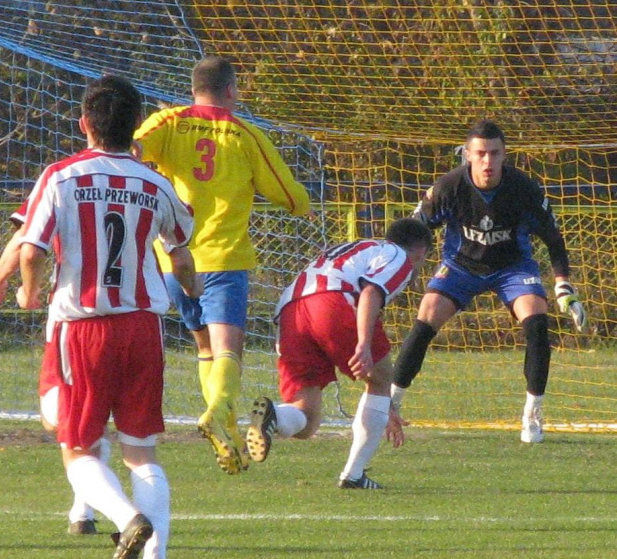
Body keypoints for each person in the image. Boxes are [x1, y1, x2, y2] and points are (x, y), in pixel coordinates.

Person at [16, 75, 199, 559]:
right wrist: (193, 295)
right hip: (144, 326)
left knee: (78, 449)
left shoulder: (62, 176)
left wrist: (29, 293)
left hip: (85, 328)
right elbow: (181, 253)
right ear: (134, 128)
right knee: (142, 453)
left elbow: (31, 249)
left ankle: (125, 519)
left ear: (84, 124)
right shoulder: (155, 181)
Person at [134, 55, 312, 475]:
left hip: (173, 262)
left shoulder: (169, 122)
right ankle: (218, 411)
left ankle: (226, 430)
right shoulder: (246, 135)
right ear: (231, 90)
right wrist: (294, 199)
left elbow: (129, 149)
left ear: (194, 87)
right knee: (230, 349)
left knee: (204, 348)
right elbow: (291, 196)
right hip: (225, 261)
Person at [390, 120, 586, 443]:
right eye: (480, 153)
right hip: (460, 266)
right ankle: (390, 404)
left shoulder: (524, 190)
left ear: (504, 155)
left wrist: (563, 285)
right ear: (467, 155)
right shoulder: (449, 187)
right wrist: (395, 271)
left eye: (494, 153)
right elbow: (414, 231)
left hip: (512, 267)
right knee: (426, 315)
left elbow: (554, 239)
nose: (487, 161)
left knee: (537, 320)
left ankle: (532, 413)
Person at [246, 217, 433, 489]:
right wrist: (363, 344)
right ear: (421, 252)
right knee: (381, 378)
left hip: (289, 312)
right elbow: (371, 292)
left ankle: (273, 414)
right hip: (331, 302)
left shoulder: (359, 247)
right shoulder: (398, 256)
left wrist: (383, 407)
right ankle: (354, 475)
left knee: (307, 420)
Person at [0, 210, 111, 536]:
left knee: (64, 415)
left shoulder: (61, 179)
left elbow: (26, 241)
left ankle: (113, 515)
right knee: (132, 440)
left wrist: (6, 280)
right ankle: (86, 511)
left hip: (76, 322)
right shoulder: (148, 180)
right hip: (136, 318)